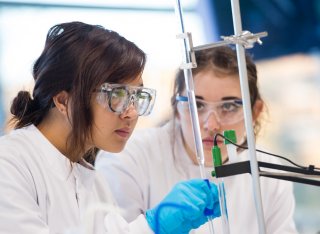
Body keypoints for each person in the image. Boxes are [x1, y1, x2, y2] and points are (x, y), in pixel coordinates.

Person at [0, 21, 221, 234]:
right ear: (63, 101)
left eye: (137, 96)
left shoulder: (95, 183)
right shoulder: (9, 162)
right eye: (117, 95)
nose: (132, 113)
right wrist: (152, 226)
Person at [95, 46, 298, 233]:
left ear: (254, 111)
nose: (211, 125)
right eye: (196, 105)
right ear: (176, 108)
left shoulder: (268, 173)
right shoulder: (129, 158)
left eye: (228, 107)